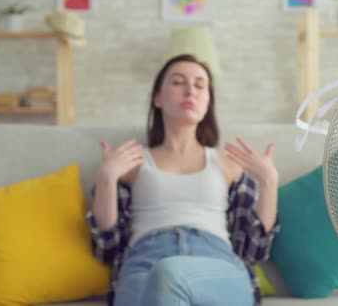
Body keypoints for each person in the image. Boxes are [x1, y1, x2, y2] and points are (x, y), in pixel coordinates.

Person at [86, 54, 281, 306]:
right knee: (164, 276)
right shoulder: (131, 163)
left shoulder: (227, 163)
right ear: (157, 97)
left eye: (200, 85)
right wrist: (106, 177)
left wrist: (269, 182)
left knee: (170, 273)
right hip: (143, 266)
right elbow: (107, 248)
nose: (190, 90)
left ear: (208, 101)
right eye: (178, 83)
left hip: (217, 267)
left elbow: (255, 250)